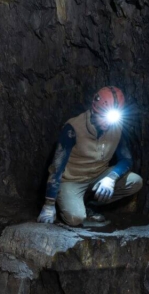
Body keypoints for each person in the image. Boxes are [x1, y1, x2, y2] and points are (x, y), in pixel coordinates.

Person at [37, 86, 143, 228]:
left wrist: (111, 178)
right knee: (75, 218)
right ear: (94, 110)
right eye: (102, 116)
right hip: (72, 180)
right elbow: (57, 167)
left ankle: (90, 205)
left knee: (135, 181)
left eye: (110, 118)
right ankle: (72, 204)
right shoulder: (73, 128)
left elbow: (126, 159)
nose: (107, 123)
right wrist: (49, 204)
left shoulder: (116, 127)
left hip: (99, 177)